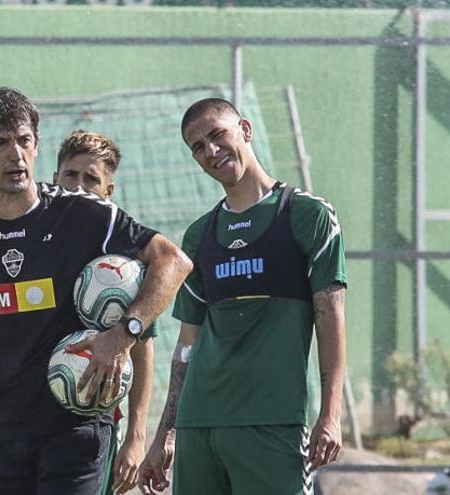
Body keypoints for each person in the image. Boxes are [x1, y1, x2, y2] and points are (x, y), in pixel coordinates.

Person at [0, 87, 191, 494]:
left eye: (24, 140)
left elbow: (173, 261)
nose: (16, 154)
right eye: (0, 143)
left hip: (75, 429)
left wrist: (123, 334)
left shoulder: (83, 216)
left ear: (37, 145)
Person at [138, 98, 347, 495]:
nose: (211, 151)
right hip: (199, 426)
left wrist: (330, 415)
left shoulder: (307, 215)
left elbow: (330, 316)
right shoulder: (199, 236)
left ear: (245, 130)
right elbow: (186, 346)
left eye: (217, 135)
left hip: (271, 422)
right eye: (198, 146)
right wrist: (166, 435)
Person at [53, 129, 156, 495]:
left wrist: (136, 438)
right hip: (20, 427)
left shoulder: (123, 269)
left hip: (90, 425)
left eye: (91, 179)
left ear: (108, 191)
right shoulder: (31, 240)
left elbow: (142, 352)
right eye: (71, 175)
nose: (79, 187)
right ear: (54, 178)